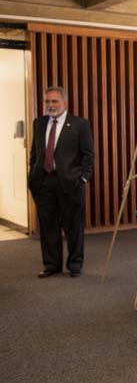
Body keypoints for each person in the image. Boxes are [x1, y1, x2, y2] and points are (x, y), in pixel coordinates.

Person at [28, 86, 93, 278]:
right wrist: (32, 175)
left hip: (71, 183)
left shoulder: (80, 124)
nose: (50, 105)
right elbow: (35, 153)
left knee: (73, 226)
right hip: (44, 182)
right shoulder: (39, 123)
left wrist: (83, 177)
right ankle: (52, 265)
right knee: (48, 225)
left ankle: (74, 265)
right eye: (47, 101)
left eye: (55, 101)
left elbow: (88, 154)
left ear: (64, 102)